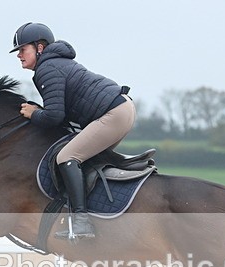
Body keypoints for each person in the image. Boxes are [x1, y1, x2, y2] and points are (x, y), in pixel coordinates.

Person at [12, 22, 136, 239]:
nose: (19, 55)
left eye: (23, 49)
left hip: (113, 113)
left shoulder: (47, 69)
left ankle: (81, 223)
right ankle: (97, 217)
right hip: (121, 109)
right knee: (83, 161)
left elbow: (54, 116)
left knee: (67, 157)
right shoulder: (55, 64)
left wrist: (34, 113)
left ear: (39, 47)